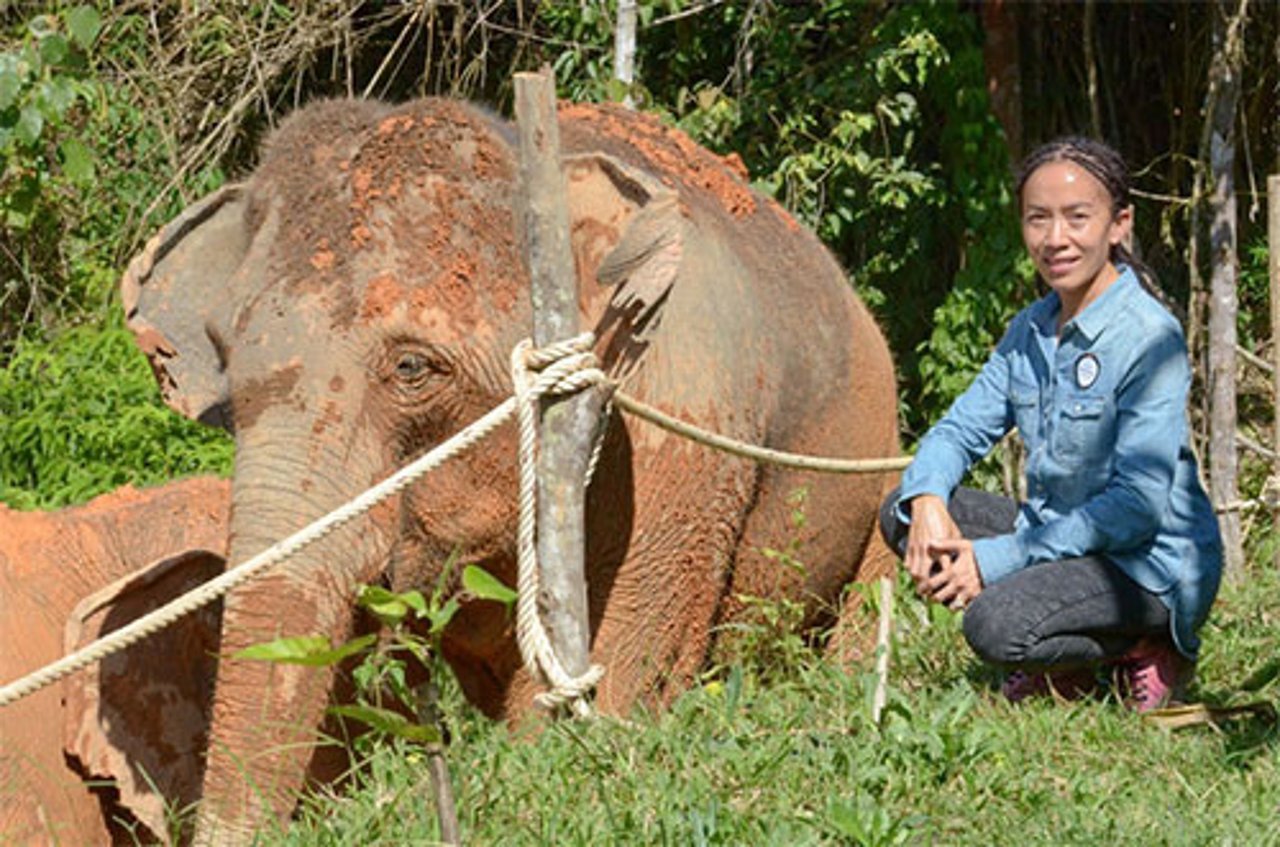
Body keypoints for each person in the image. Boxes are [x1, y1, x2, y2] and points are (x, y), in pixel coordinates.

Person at [880, 136, 1223, 712]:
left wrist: (993, 562)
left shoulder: (1146, 336)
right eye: (1038, 220)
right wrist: (931, 497)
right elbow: (958, 430)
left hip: (1147, 564)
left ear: (1119, 225)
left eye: (1077, 218)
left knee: (995, 624)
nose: (1055, 238)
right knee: (902, 511)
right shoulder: (1032, 331)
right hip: (1061, 537)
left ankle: (1148, 647)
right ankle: (1070, 663)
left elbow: (1136, 507)